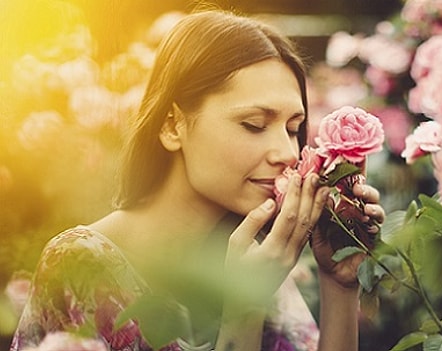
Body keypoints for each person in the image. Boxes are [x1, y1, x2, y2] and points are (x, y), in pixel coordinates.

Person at [10, 8, 385, 351]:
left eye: (293, 128)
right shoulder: (81, 265)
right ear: (173, 126)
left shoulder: (253, 259)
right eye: (254, 125)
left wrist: (340, 283)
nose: (287, 152)